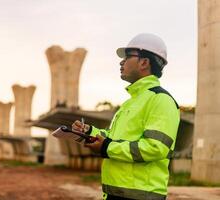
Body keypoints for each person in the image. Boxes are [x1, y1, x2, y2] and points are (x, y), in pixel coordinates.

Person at [72, 33, 180, 200]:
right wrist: (89, 131)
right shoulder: (132, 102)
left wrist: (106, 147)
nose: (121, 61)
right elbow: (115, 138)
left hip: (141, 196)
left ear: (144, 62)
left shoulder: (161, 100)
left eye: (128, 56)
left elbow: (155, 148)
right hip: (116, 193)